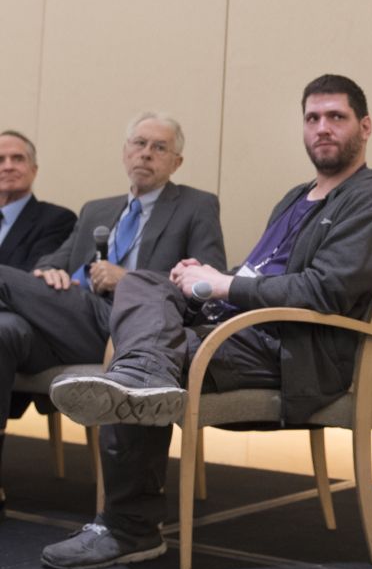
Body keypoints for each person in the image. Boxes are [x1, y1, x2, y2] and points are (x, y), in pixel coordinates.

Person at [42, 74, 372, 569]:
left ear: (364, 127)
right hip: (239, 330)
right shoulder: (296, 197)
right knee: (143, 284)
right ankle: (141, 380)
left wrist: (222, 284)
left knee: (142, 359)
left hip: (290, 349)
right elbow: (258, 274)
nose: (323, 128)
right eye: (312, 118)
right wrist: (203, 276)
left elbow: (326, 291)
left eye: (336, 117)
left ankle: (129, 526)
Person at [0, 112, 225, 518]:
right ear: (125, 152)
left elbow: (206, 285)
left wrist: (129, 279)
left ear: (176, 162)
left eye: (160, 147)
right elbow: (53, 262)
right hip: (73, 322)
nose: (146, 154)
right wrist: (48, 272)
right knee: (4, 328)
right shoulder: (96, 211)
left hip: (133, 329)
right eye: (139, 144)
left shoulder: (196, 205)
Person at [0, 130, 75, 272]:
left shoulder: (57, 220)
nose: (8, 167)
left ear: (34, 170)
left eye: (18, 158)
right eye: (0, 160)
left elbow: (33, 278)